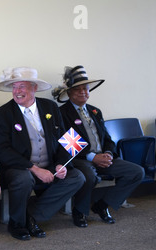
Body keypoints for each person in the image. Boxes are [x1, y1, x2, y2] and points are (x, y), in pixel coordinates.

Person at [0, 67, 85, 240]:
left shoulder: (50, 107)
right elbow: (0, 150)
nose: (17, 92)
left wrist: (61, 164)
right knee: (23, 179)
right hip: (19, 167)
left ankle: (32, 217)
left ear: (34, 88)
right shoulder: (2, 114)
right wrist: (33, 168)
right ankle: (17, 223)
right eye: (14, 87)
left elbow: (67, 139)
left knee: (77, 177)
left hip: (50, 164)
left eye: (22, 87)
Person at [53, 65, 145, 227]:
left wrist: (108, 153)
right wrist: (92, 157)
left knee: (136, 172)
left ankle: (102, 206)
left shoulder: (95, 111)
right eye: (78, 89)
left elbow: (107, 139)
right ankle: (79, 211)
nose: (83, 92)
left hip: (103, 157)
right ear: (69, 93)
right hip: (80, 158)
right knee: (89, 176)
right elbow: (67, 142)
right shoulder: (61, 113)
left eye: (86, 88)